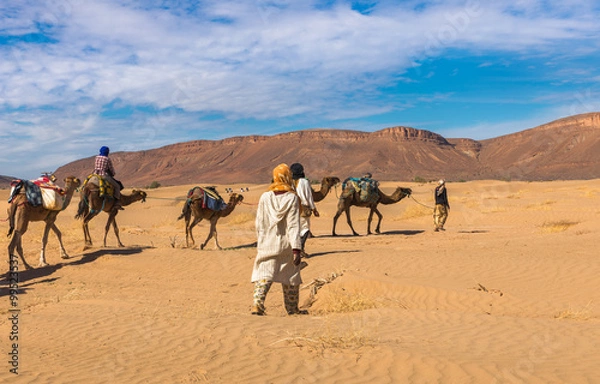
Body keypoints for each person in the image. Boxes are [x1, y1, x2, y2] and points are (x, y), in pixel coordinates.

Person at [250, 163, 307, 316]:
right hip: (286, 245)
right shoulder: (292, 198)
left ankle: (257, 304)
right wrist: (296, 249)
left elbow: (259, 222)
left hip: (267, 242)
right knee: (291, 276)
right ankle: (292, 309)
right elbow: (293, 225)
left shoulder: (265, 196)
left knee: (264, 273)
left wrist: (261, 241)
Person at [290, 163, 319, 257]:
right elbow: (309, 196)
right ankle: (301, 248)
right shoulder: (304, 182)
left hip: (291, 209)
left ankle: (294, 250)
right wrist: (314, 209)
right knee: (305, 229)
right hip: (303, 208)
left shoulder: (289, 182)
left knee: (295, 229)